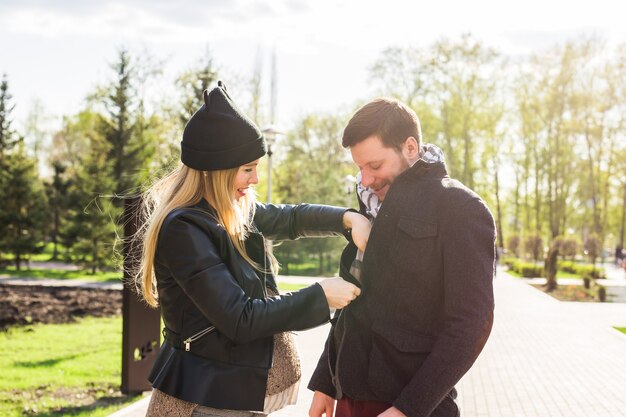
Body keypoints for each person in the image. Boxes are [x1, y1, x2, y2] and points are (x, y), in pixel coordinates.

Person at [136, 81, 370, 417]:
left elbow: (292, 218)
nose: (256, 179)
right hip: (206, 402)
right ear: (217, 171)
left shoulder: (230, 211)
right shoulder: (184, 230)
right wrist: (321, 295)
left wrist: (347, 219)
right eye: (247, 169)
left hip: (231, 397)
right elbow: (239, 318)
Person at [308, 98, 496, 417]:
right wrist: (326, 380)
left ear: (410, 148)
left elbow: (470, 325)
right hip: (350, 400)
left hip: (414, 407)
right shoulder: (369, 209)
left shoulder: (462, 209)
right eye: (360, 168)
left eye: (375, 166)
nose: (365, 180)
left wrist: (407, 409)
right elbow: (352, 306)